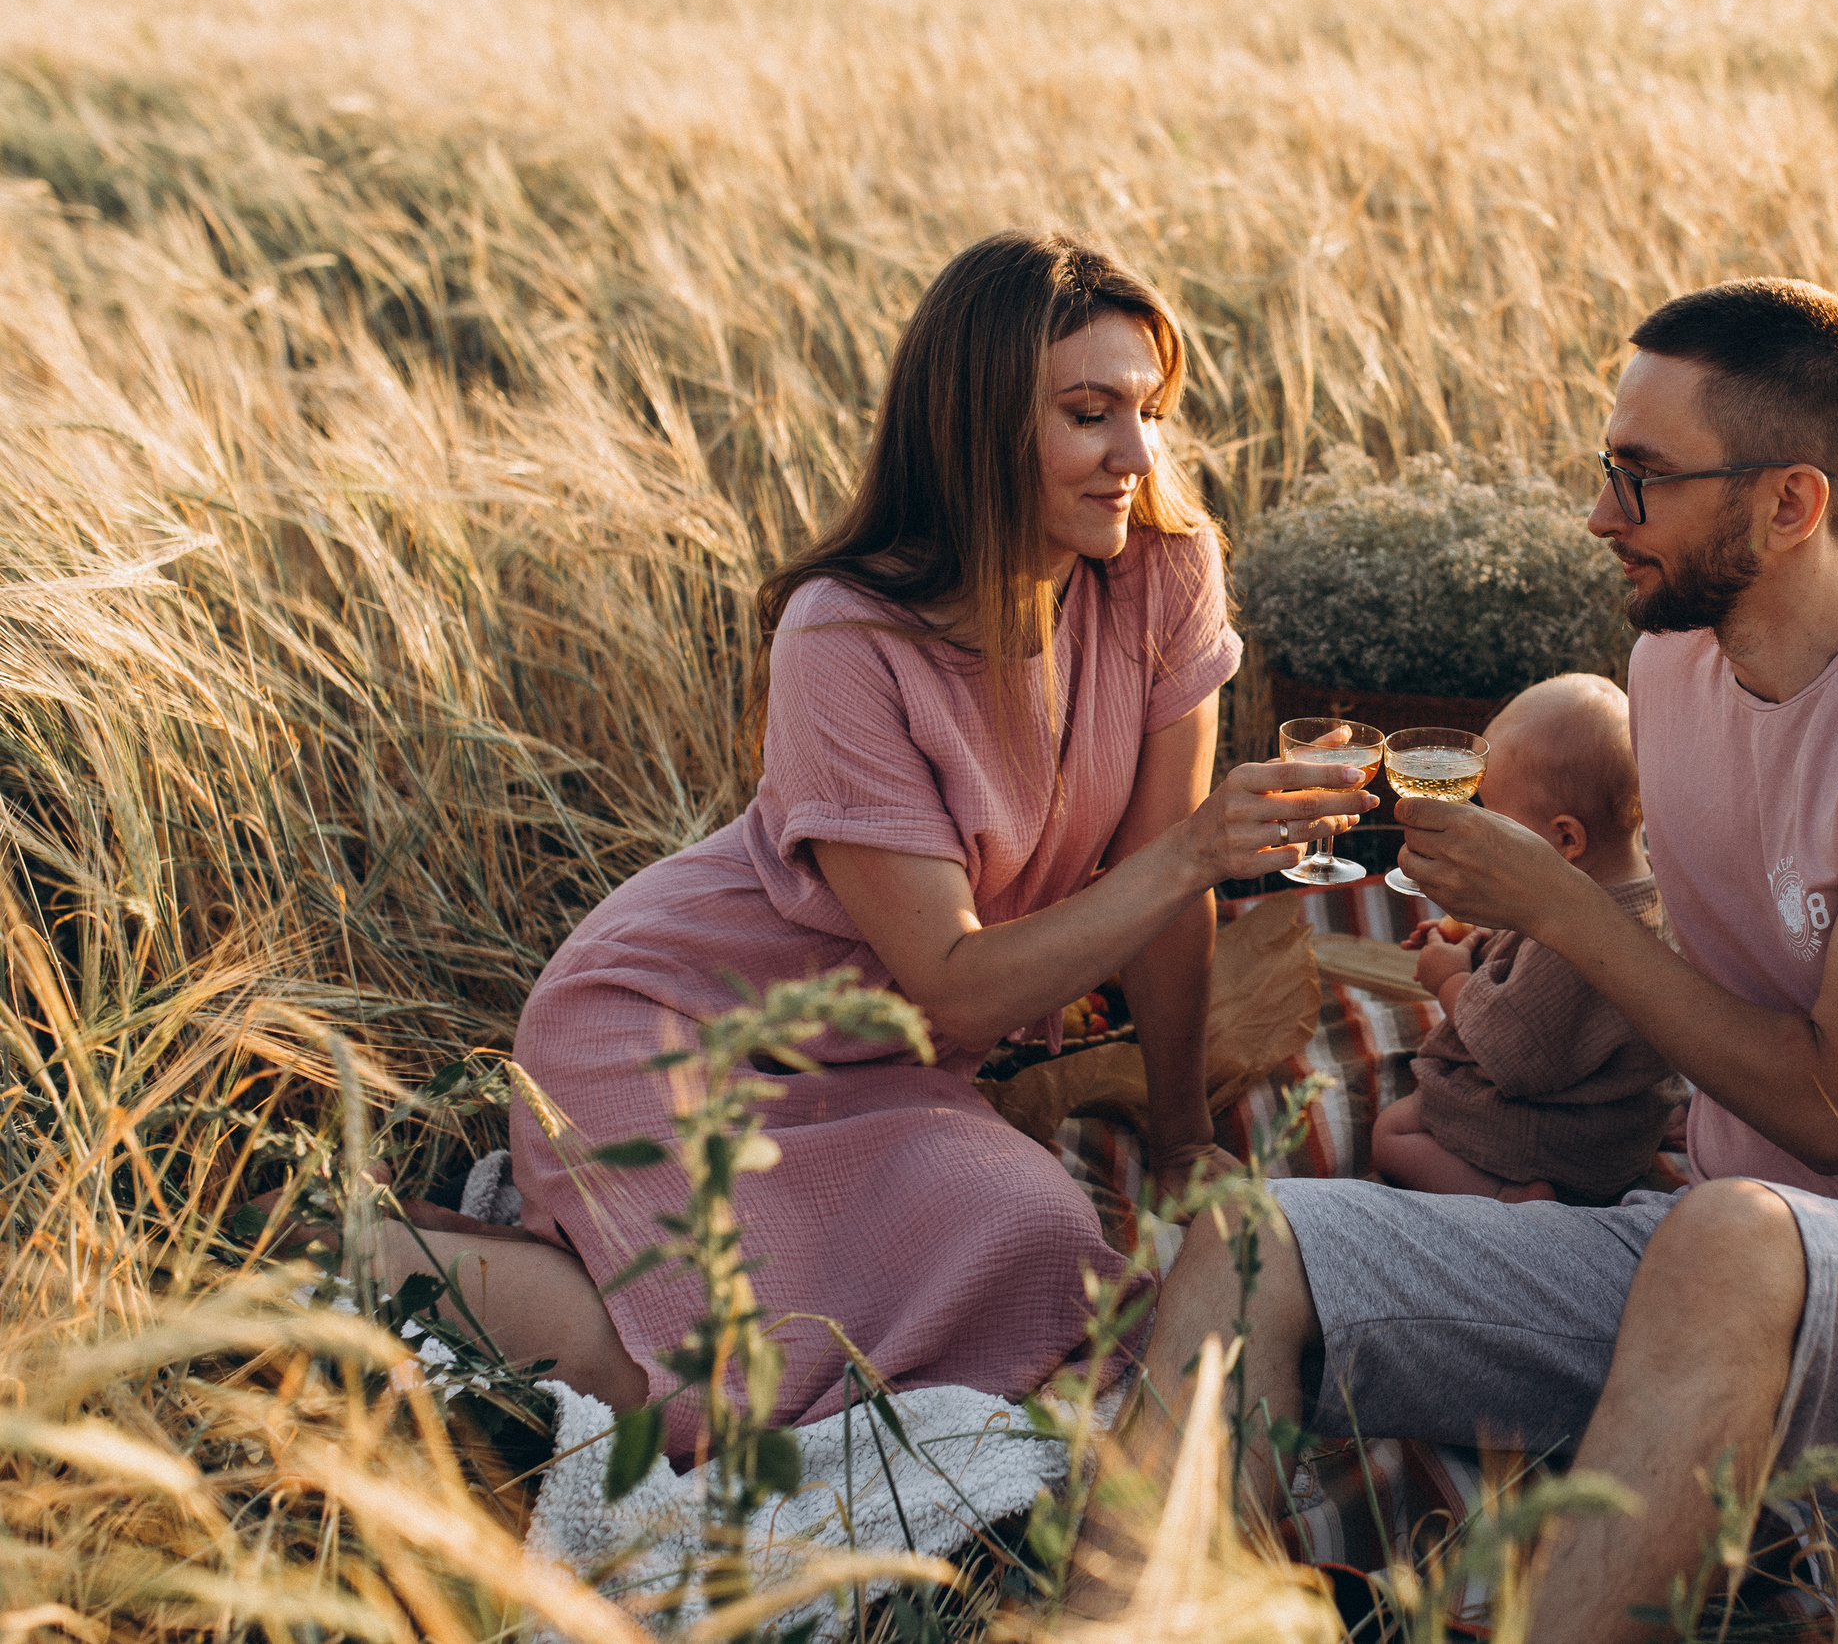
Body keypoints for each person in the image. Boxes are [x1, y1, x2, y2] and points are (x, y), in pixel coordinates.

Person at [1126, 278, 1838, 1643]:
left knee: (1726, 1230)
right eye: (1610, 468)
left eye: (1642, 478)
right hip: (1705, 1262)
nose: (1601, 514)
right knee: (1255, 1240)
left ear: (1790, 503)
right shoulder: (1673, 671)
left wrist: (1560, 906)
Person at [374, 232, 1378, 1459]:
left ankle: (583, 1262)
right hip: (683, 1024)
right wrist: (1192, 854)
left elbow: (1172, 889)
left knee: (1048, 1254)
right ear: (979, 424)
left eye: (1150, 410)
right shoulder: (842, 638)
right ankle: (378, 1256)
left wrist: (1183, 1139)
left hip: (897, 1062)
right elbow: (957, 973)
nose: (1137, 456)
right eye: (1089, 413)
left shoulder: (1163, 571)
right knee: (711, 1410)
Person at [1370, 674, 1681, 1206]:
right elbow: (1531, 934)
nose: (1482, 826)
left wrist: (1450, 977)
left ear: (1565, 838)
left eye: (1496, 816)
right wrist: (1474, 940)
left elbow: (1509, 1050)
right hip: (1619, 1121)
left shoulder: (1581, 947)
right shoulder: (1649, 889)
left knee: (1394, 1132)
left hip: (1560, 1135)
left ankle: (1512, 1197)